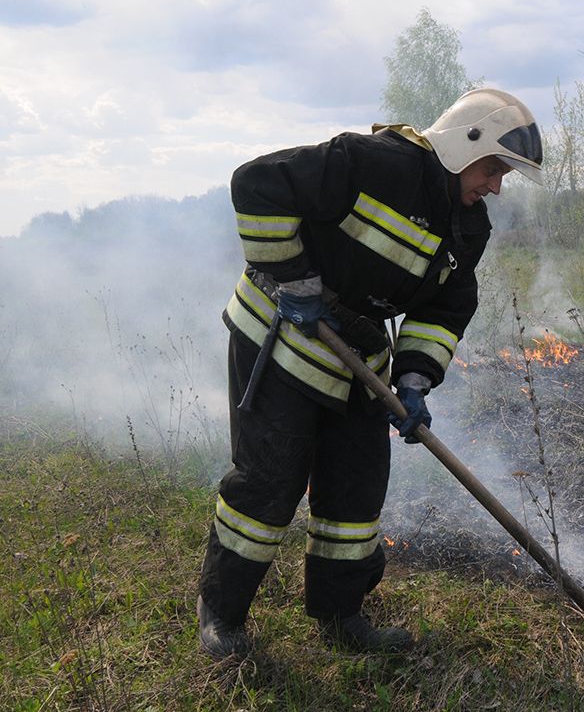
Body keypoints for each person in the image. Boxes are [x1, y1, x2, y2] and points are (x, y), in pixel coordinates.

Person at [196, 88, 543, 658]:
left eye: (503, 175)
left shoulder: (469, 227)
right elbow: (256, 183)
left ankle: (339, 616)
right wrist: (294, 277)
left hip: (356, 358)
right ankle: (223, 613)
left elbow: (443, 309)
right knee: (269, 485)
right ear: (465, 142)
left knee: (355, 496)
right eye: (492, 169)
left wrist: (413, 378)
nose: (496, 186)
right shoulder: (374, 162)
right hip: (280, 337)